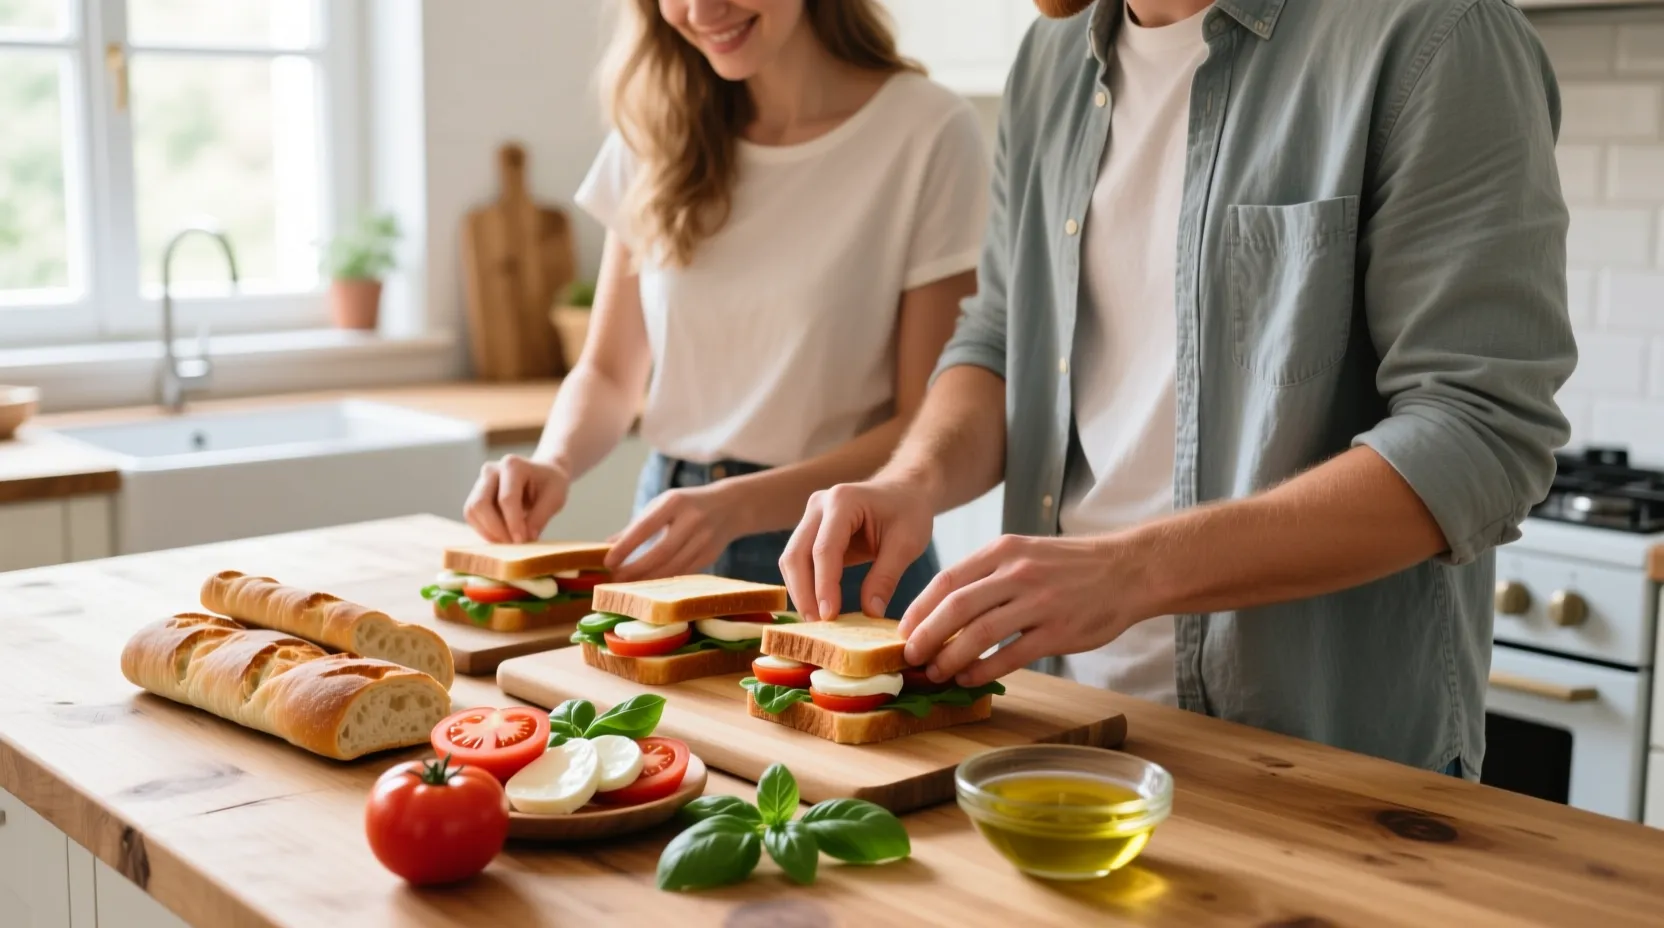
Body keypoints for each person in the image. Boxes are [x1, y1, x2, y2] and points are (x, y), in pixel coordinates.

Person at [780, 0, 1576, 778]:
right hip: (1056, 727)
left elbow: (1479, 434)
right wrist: (912, 482)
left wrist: (1128, 572)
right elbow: (998, 340)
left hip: (1313, 765)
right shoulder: (1049, 61)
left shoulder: (1436, 34)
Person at [462, 0, 988, 616]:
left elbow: (923, 420)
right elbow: (609, 371)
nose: (700, 10)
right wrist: (553, 461)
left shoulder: (925, 131)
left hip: (839, 554)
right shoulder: (653, 127)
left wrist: (736, 506)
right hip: (672, 533)